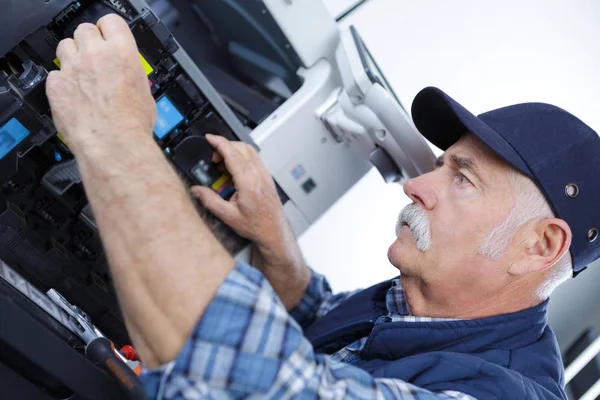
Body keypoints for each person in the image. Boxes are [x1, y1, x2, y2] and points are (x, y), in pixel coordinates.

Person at [46, 15, 599, 400]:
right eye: (440, 164)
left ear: (540, 246)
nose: (417, 187)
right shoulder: (425, 303)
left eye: (463, 179)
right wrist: (283, 261)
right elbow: (339, 341)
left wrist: (114, 134)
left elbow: (259, 386)